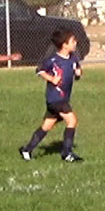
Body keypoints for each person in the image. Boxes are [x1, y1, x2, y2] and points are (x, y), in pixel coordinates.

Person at [19, 29, 84, 162]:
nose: (75, 43)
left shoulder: (73, 58)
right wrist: (51, 79)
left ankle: (27, 149)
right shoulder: (53, 60)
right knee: (72, 121)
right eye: (72, 41)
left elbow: (76, 70)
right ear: (64, 45)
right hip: (55, 98)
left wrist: (78, 73)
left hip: (62, 98)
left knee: (47, 125)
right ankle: (67, 153)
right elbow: (40, 70)